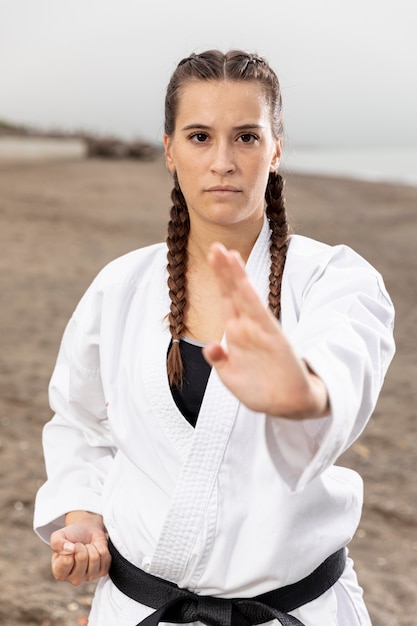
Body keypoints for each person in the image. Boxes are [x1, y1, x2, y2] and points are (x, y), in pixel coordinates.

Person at [34, 50, 395, 626]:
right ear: (169, 150)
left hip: (293, 610)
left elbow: (342, 374)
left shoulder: (337, 280)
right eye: (200, 136)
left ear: (277, 149)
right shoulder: (120, 286)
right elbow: (79, 422)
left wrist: (300, 393)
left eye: (247, 137)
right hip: (141, 608)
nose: (222, 161)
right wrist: (83, 516)